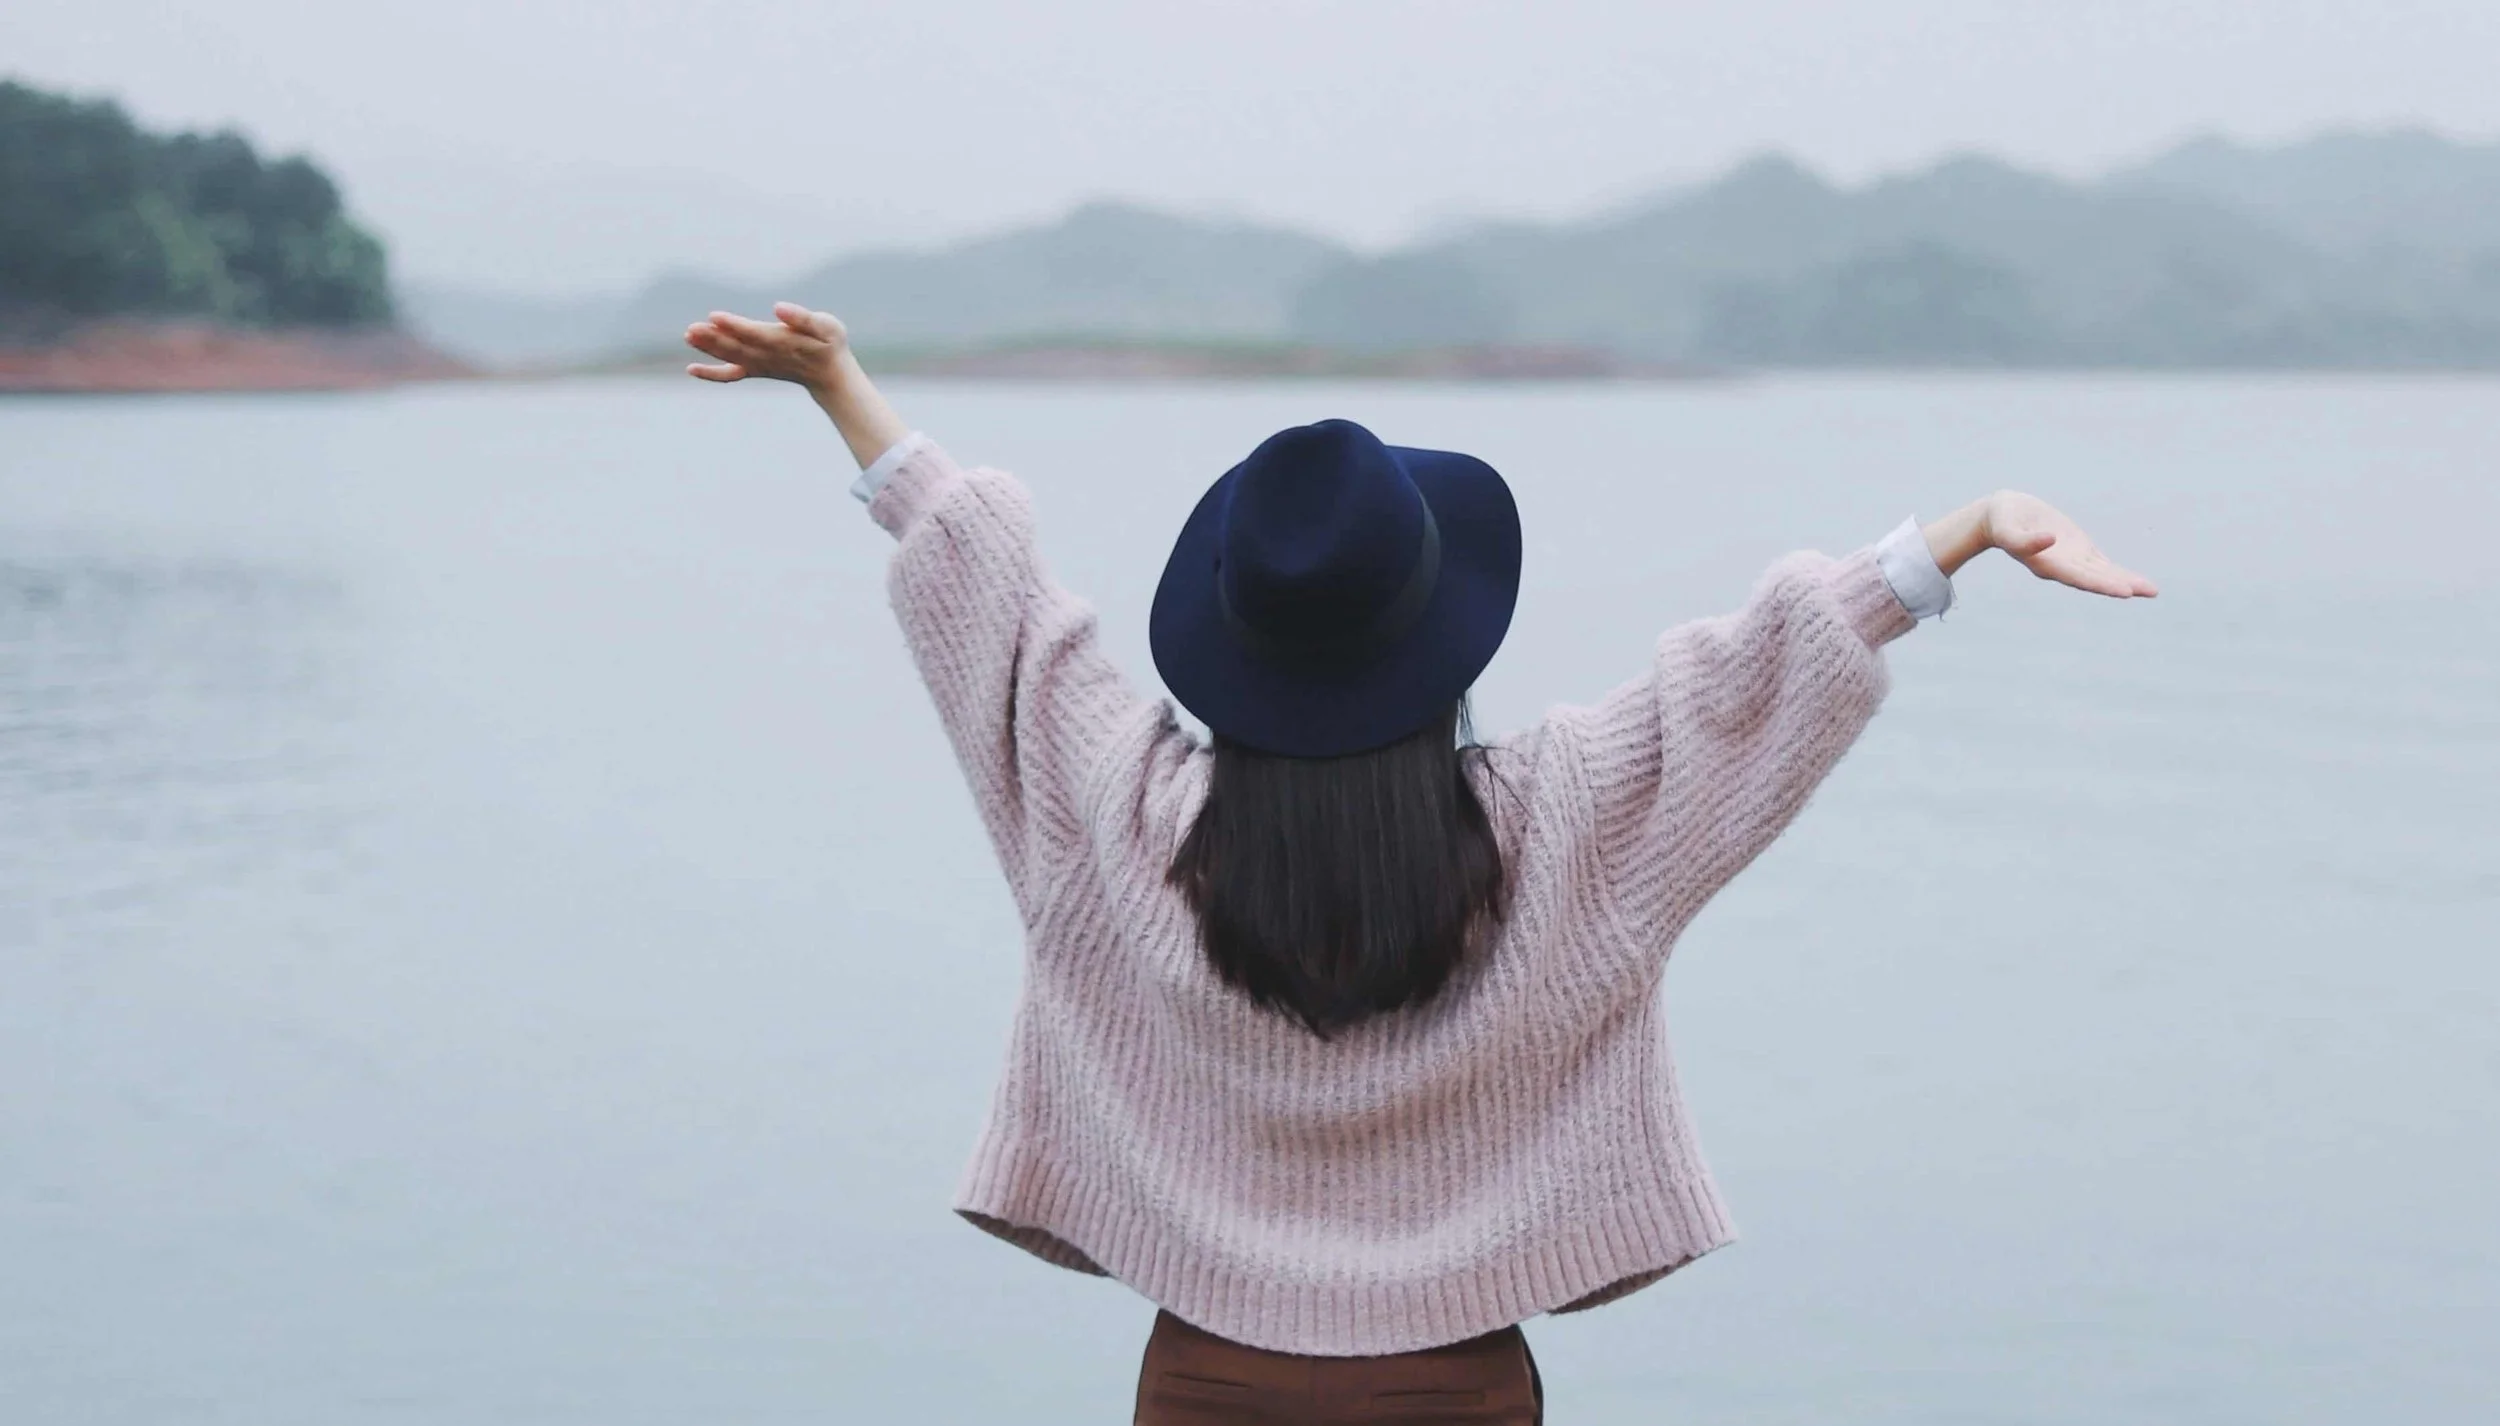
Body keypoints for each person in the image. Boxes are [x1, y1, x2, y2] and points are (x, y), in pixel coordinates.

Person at [685, 303, 2157, 1425]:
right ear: (1438, 623)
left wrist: (844, 394)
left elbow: (994, 608)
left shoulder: (1118, 811)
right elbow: (1746, 682)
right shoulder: (1565, 820)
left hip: (1208, 1383)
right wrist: (1963, 532)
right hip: (1461, 1385)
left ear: (1233, 636)